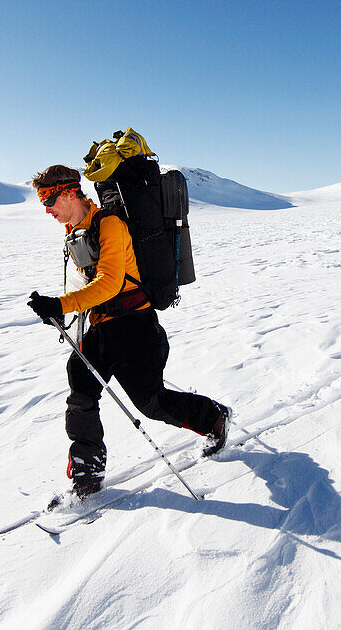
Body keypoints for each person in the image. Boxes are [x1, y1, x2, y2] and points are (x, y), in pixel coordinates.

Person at [27, 164, 230, 500]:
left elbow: (109, 283)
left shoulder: (110, 225)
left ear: (68, 192)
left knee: (151, 403)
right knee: (80, 388)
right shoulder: (76, 230)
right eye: (42, 202)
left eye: (49, 200)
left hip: (136, 328)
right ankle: (86, 476)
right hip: (102, 328)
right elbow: (87, 284)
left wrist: (60, 305)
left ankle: (213, 418)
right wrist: (66, 315)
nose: (47, 209)